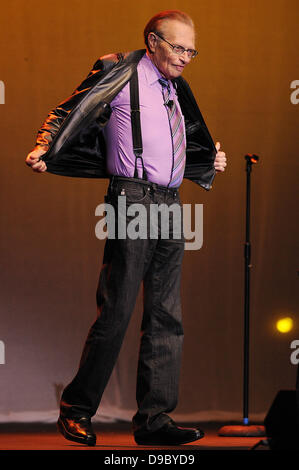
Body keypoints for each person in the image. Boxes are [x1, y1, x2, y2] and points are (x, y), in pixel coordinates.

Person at [25, 10, 227, 446]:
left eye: (192, 50)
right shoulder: (119, 71)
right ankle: (77, 409)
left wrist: (206, 161)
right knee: (117, 309)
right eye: (179, 48)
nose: (186, 57)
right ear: (153, 41)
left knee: (167, 315)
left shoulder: (177, 87)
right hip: (132, 199)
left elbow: (180, 140)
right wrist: (46, 146)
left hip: (170, 203)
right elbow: (69, 110)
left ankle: (154, 420)